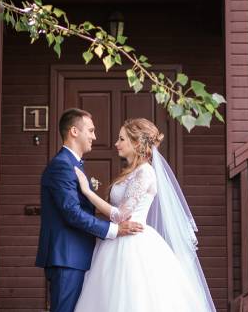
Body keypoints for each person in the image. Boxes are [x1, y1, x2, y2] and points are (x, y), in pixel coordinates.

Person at [72, 118, 216, 312]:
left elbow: (121, 215)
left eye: (121, 139)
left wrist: (87, 192)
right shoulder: (130, 172)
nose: (116, 143)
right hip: (115, 241)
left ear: (137, 143)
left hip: (134, 242)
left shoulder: (145, 173)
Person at [35, 108, 145, 312]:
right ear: (74, 131)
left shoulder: (73, 164)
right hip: (67, 256)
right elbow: (72, 212)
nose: (94, 136)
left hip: (75, 255)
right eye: (91, 130)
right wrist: (114, 230)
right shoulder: (62, 166)